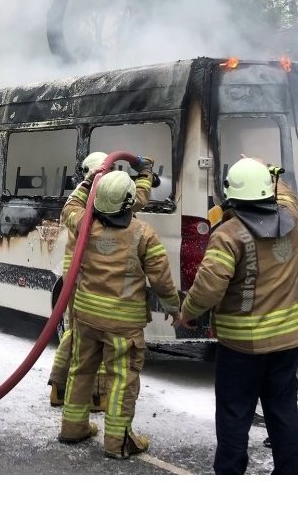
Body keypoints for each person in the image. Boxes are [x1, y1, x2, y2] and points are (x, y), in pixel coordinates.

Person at [175, 156, 298, 474]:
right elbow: (286, 195)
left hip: (242, 348)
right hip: (288, 344)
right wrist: (267, 168)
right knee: (283, 412)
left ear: (231, 194)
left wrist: (187, 313)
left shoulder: (229, 234)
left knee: (234, 417)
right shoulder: (290, 218)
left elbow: (208, 288)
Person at [56, 168, 178, 459]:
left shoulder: (85, 223)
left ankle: (73, 428)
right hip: (123, 326)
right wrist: (176, 309)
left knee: (81, 370)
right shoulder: (143, 233)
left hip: (85, 317)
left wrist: (89, 180)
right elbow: (162, 280)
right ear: (128, 202)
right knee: (122, 380)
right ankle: (117, 442)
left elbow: (69, 207)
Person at [48, 151, 157, 411]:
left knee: (75, 335)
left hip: (76, 275)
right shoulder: (109, 201)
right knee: (91, 344)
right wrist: (145, 173)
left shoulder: (81, 200)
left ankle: (59, 389)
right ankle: (96, 397)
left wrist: (89, 182)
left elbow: (69, 207)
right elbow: (139, 197)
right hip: (90, 277)